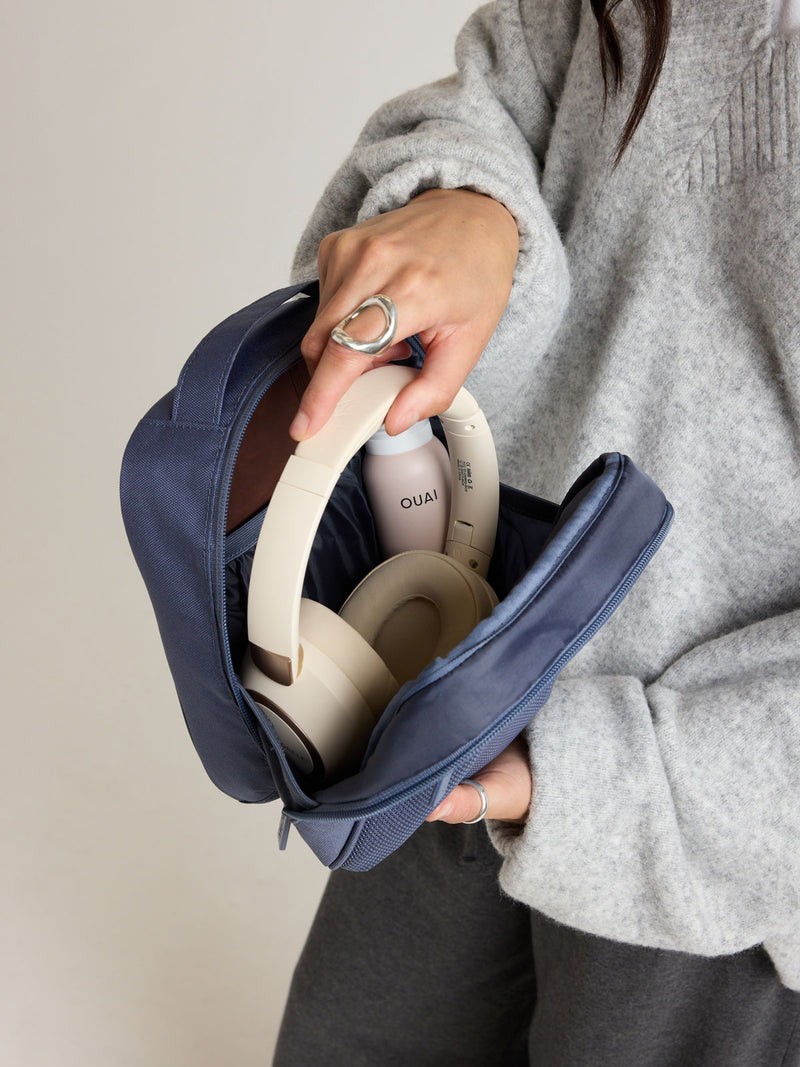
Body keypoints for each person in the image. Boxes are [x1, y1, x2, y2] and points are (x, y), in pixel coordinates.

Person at [273, 1, 800, 1063]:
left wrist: (607, 776)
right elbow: (503, 89)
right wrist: (468, 207)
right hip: (461, 675)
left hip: (717, 851)